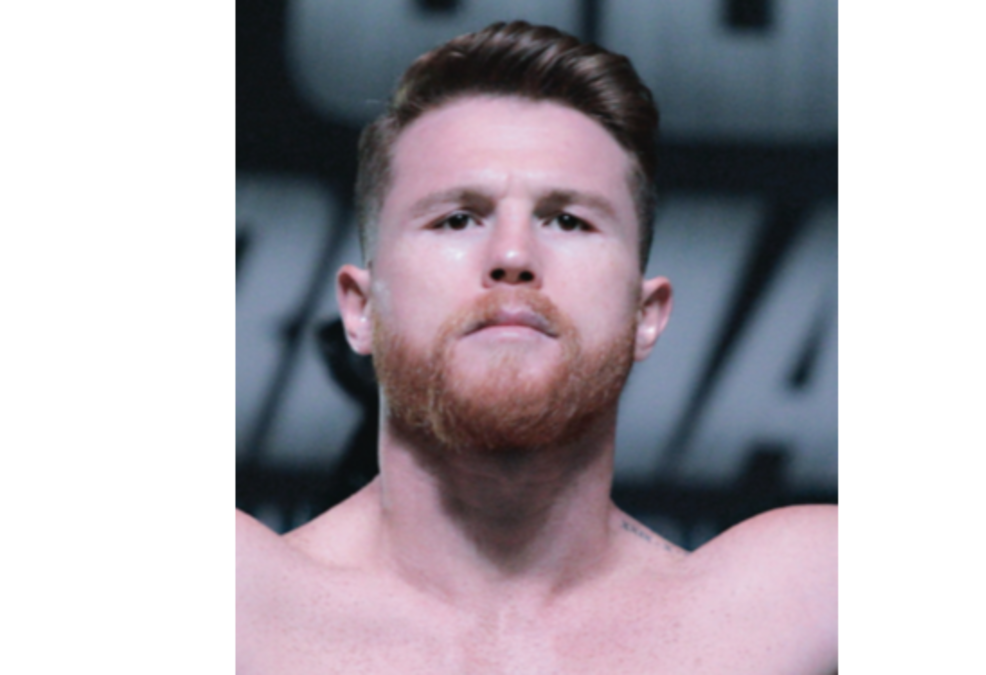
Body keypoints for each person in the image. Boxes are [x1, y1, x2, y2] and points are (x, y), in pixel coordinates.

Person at [234, 21, 841, 674]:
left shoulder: (796, 607)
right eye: (457, 218)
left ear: (646, 316)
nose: (513, 255)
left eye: (569, 221)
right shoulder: (250, 606)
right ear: (360, 309)